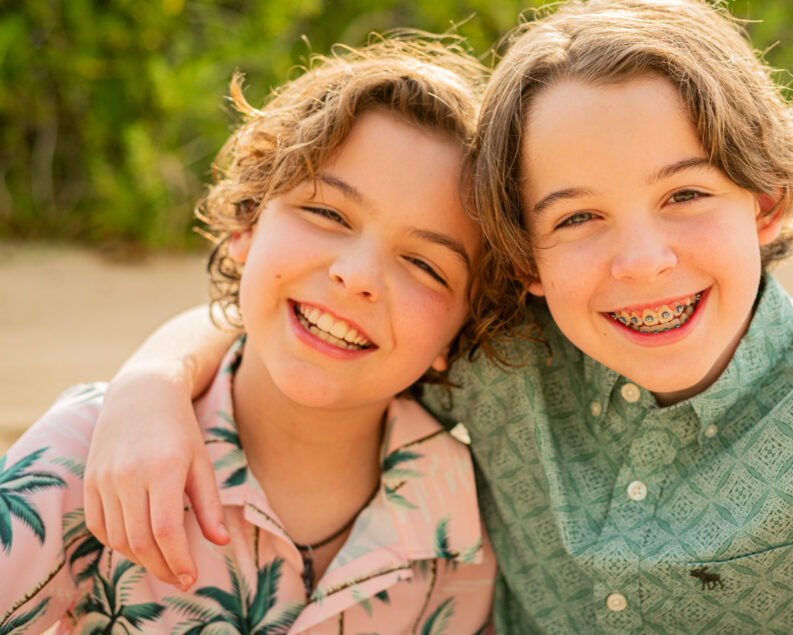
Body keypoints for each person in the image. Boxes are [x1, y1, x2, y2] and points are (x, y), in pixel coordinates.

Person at [80, 0, 793, 634]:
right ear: (524, 258)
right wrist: (150, 385)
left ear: (765, 200)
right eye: (576, 220)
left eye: (685, 195)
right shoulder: (503, 360)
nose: (642, 261)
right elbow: (323, 320)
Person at [0, 38, 495, 634]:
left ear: (460, 331)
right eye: (329, 214)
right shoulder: (91, 451)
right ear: (247, 224)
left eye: (425, 265)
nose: (357, 276)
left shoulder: (467, 524)